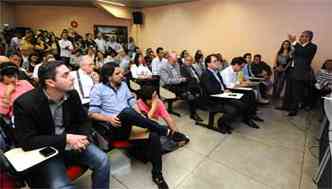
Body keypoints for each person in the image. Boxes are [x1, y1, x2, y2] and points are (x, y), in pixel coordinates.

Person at [13, 61, 110, 189]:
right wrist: (66, 139)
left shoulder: (72, 94)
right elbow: (27, 141)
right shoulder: (25, 104)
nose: (72, 77)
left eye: (69, 72)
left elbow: (83, 120)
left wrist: (82, 137)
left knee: (103, 160)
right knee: (62, 186)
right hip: (46, 150)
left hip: (73, 143)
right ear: (50, 82)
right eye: (65, 75)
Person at [89, 63, 186, 189]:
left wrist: (140, 115)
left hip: (131, 123)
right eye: (117, 74)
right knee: (126, 111)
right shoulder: (97, 89)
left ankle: (157, 175)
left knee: (154, 135)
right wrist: (108, 118)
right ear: (108, 77)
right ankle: (165, 130)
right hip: (116, 127)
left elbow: (132, 101)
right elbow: (92, 113)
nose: (121, 75)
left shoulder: (123, 85)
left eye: (121, 72)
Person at [201, 55, 261, 133]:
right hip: (213, 99)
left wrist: (225, 89)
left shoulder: (216, 72)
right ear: (208, 64)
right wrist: (223, 92)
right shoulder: (206, 74)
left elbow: (222, 85)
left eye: (217, 61)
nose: (217, 63)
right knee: (234, 108)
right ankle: (221, 122)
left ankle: (227, 121)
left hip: (221, 95)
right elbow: (210, 90)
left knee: (241, 104)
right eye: (214, 61)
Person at [159, 52, 203, 122]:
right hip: (168, 86)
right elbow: (167, 81)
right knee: (190, 93)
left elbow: (180, 75)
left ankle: (189, 91)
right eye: (174, 60)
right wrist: (180, 80)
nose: (175, 62)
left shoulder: (177, 64)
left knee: (192, 79)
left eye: (176, 60)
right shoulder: (163, 67)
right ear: (169, 59)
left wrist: (182, 79)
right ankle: (193, 112)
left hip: (179, 83)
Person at [286, 31, 318, 116]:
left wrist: (294, 42)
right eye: (302, 36)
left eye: (305, 36)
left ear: (309, 38)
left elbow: (303, 53)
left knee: (297, 92)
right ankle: (287, 106)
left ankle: (294, 110)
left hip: (301, 72)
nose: (302, 37)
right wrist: (291, 53)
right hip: (292, 70)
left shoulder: (312, 46)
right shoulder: (298, 46)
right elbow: (292, 56)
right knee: (290, 90)